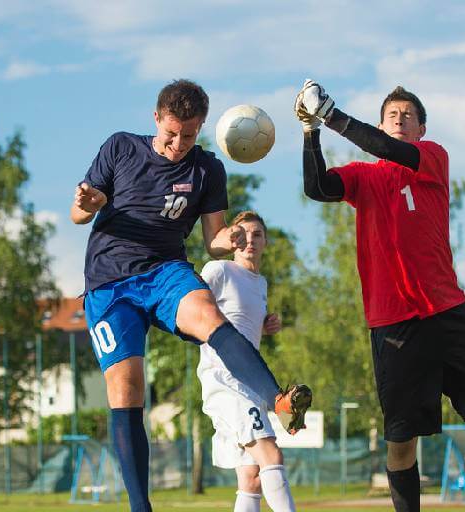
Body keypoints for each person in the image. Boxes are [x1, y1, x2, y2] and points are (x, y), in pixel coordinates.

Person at [72, 79, 312, 512]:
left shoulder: (207, 169)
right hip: (109, 284)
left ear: (200, 127)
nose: (179, 143)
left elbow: (213, 238)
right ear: (156, 118)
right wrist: (88, 202)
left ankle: (277, 398)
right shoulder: (121, 147)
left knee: (208, 316)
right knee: (127, 390)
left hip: (165, 270)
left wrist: (231, 235)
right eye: (171, 133)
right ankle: (141, 508)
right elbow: (78, 212)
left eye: (189, 134)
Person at [295, 80, 465, 512]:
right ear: (382, 124)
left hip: (448, 309)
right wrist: (310, 131)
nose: (400, 120)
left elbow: (394, 152)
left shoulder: (431, 158)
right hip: (393, 321)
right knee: (401, 441)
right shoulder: (364, 176)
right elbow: (317, 188)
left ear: (422, 129)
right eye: (393, 115)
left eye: (409, 116)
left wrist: (331, 114)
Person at [197, 211, 297, 512]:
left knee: (251, 478)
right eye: (241, 234)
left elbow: (239, 325)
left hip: (249, 383)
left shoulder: (260, 283)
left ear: (266, 241)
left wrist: (264, 325)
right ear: (231, 239)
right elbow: (193, 308)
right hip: (224, 379)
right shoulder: (219, 270)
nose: (249, 240)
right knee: (271, 454)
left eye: (256, 235)